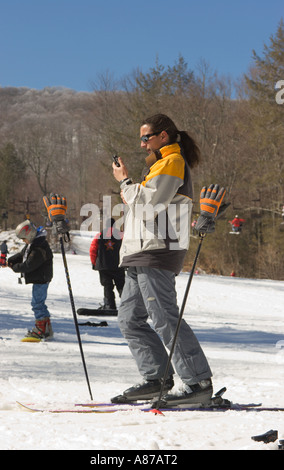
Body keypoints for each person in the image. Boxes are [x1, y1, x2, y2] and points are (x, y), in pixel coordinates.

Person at [111, 113, 213, 406]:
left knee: (164, 317)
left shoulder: (172, 162)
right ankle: (156, 377)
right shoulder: (159, 166)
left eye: (146, 137)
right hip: (139, 253)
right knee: (130, 319)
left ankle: (197, 382)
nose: (142, 144)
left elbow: (147, 206)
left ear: (163, 136)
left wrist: (125, 182)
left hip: (157, 251)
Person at [7, 220, 54, 341]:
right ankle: (46, 329)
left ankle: (41, 329)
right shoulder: (33, 244)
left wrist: (14, 267)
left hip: (41, 279)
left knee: (37, 304)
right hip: (40, 278)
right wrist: (10, 261)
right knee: (39, 304)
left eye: (24, 239)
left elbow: (28, 265)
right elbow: (22, 255)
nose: (24, 242)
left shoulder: (38, 248)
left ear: (29, 235)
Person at [89, 218, 125, 310]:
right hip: (118, 265)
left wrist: (94, 263)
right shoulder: (121, 235)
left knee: (107, 285)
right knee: (121, 285)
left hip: (103, 265)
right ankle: (127, 306)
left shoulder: (99, 235)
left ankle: (110, 305)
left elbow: (93, 250)